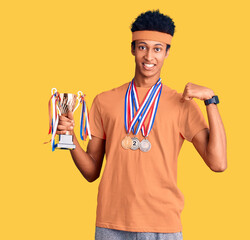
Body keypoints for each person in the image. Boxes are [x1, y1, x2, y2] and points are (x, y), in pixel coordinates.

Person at [56, 9, 227, 240]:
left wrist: (210, 100)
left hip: (162, 225)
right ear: (132, 49)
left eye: (157, 49)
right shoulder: (104, 101)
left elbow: (218, 163)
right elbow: (91, 172)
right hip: (111, 224)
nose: (149, 57)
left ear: (167, 53)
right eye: (142, 47)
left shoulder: (183, 104)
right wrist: (71, 139)